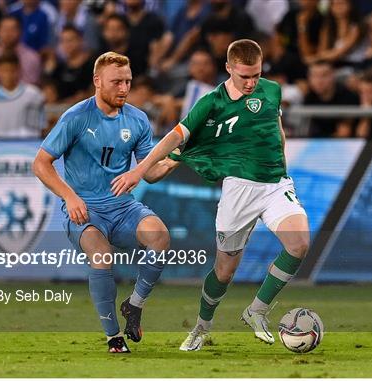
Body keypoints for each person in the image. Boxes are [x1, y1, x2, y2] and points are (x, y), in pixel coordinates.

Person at [110, 39, 310, 351]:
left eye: (256, 75)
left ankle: (257, 310)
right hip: (238, 192)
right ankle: (202, 326)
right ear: (229, 68)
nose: (251, 82)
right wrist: (140, 171)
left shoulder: (271, 90)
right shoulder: (211, 103)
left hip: (275, 186)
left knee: (299, 244)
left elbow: (276, 126)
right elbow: (173, 138)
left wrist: (280, 163)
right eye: (244, 76)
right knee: (224, 271)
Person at [32, 52, 178, 353]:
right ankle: (114, 337)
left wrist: (174, 160)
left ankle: (134, 306)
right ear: (97, 81)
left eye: (127, 81)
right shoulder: (75, 117)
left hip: (124, 208)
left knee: (161, 237)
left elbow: (148, 173)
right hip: (85, 209)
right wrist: (69, 196)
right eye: (116, 82)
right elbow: (41, 164)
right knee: (101, 255)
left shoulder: (138, 119)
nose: (123, 88)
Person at [0, 52, 45, 138]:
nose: (8, 75)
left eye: (12, 70)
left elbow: (39, 129)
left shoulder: (34, 95)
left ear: (19, 70)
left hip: (27, 148)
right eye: (4, 70)